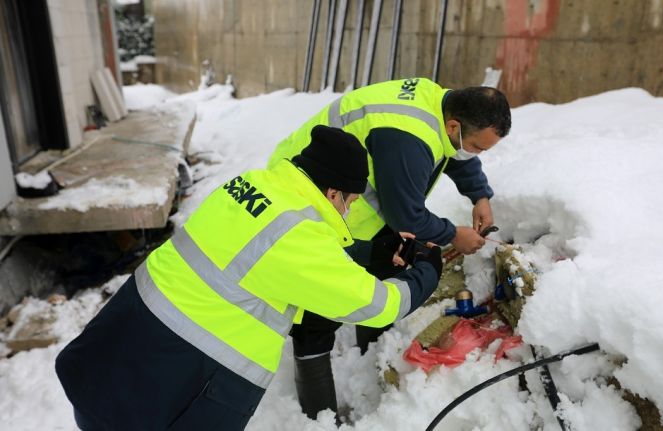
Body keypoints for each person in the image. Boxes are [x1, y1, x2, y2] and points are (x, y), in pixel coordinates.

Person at [55, 125, 443, 430]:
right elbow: (376, 306)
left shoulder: (253, 185)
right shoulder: (300, 235)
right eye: (351, 200)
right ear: (331, 191)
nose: (350, 209)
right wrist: (426, 271)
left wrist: (372, 253)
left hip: (122, 347)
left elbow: (263, 254)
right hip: (178, 379)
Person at [268, 78, 512, 419]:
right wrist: (454, 235)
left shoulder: (439, 106)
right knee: (317, 311)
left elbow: (453, 150)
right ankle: (317, 415)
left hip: (351, 201)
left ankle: (370, 351)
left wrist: (479, 194)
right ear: (454, 124)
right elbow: (407, 216)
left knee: (382, 266)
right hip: (312, 200)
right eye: (477, 146)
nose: (477, 154)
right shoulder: (407, 138)